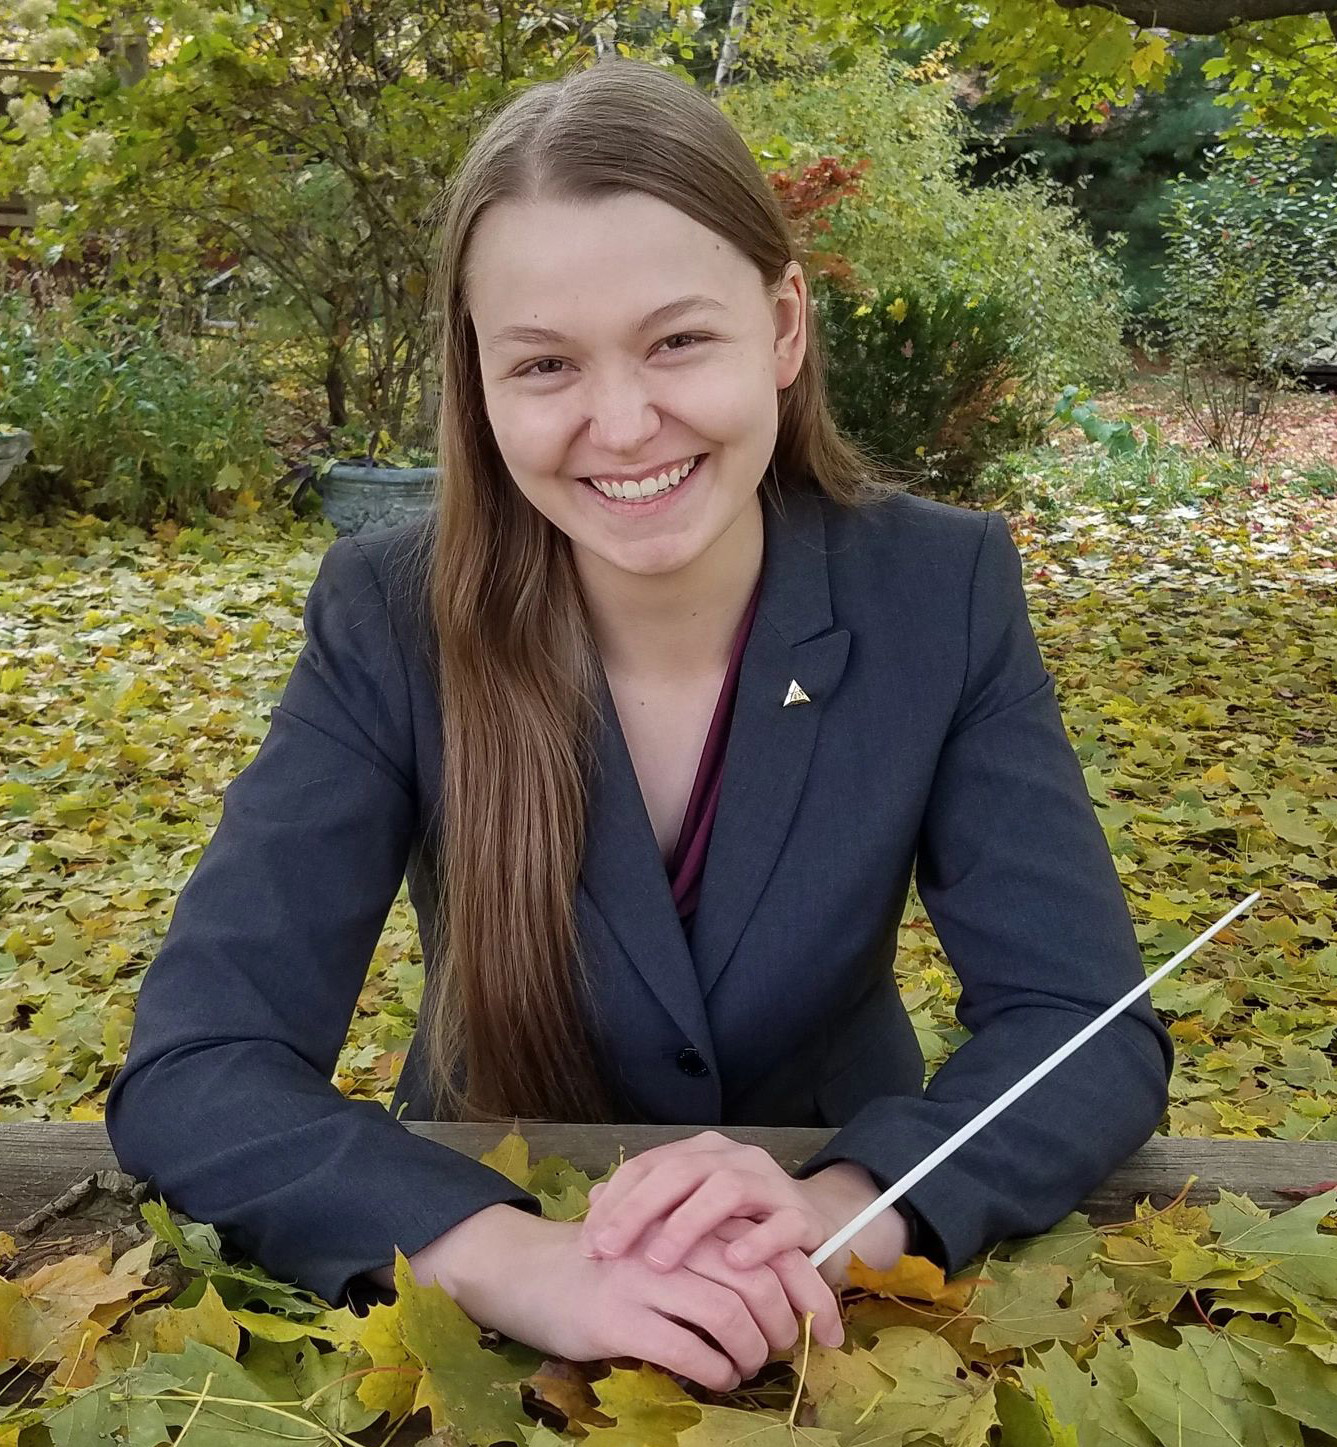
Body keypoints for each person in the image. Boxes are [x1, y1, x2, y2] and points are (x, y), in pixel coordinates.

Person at [104, 56, 1175, 1398]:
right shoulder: (387, 616)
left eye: (677, 342)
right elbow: (200, 1062)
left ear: (781, 329)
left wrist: (848, 1203)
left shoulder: (936, 592)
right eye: (545, 362)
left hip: (837, 1330)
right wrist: (507, 1258)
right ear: (480, 383)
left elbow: (1082, 1024)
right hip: (481, 1346)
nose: (621, 424)